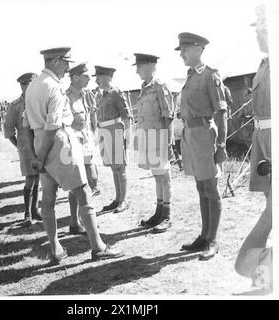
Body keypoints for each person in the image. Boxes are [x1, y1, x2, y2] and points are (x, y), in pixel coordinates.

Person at [24, 47, 124, 264]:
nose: (68, 68)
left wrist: (37, 153)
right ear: (57, 61)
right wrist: (41, 156)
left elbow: (28, 125)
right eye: (65, 62)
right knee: (84, 193)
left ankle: (56, 249)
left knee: (48, 198)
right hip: (58, 142)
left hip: (40, 140)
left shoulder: (32, 86)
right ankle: (98, 247)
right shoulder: (54, 87)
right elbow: (53, 126)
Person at [175, 32, 228, 260]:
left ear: (198, 49)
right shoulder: (190, 76)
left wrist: (222, 144)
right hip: (191, 135)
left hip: (205, 135)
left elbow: (221, 111)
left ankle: (213, 240)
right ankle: (204, 236)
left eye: (185, 50)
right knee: (200, 187)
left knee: (211, 188)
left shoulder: (210, 75)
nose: (182, 55)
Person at [235, 4, 272, 292]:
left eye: (264, 26)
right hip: (265, 144)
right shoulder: (264, 64)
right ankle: (266, 274)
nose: (258, 32)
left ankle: (262, 272)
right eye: (257, 27)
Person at [133, 53, 175, 233]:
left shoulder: (160, 86)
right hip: (147, 137)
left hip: (159, 137)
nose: (136, 71)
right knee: (156, 175)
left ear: (150, 67)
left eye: (140, 67)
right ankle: (158, 212)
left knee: (164, 176)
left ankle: (167, 215)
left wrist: (169, 141)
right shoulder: (144, 87)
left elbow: (169, 115)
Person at [66, 62, 100, 235]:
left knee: (92, 180)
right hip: (74, 146)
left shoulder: (86, 95)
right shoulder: (66, 97)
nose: (89, 79)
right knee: (78, 184)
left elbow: (91, 119)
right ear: (75, 77)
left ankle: (81, 219)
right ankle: (77, 221)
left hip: (87, 144)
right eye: (86, 76)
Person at [4, 72, 42, 224]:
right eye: (31, 85)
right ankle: (27, 213)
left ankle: (35, 210)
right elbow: (8, 130)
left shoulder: (39, 101)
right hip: (26, 148)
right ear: (23, 86)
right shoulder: (15, 106)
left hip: (40, 145)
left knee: (39, 178)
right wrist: (20, 145)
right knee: (30, 180)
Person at [94, 65, 133, 213]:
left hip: (115, 130)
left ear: (108, 78)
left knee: (120, 168)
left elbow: (126, 116)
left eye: (99, 77)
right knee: (113, 168)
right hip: (104, 131)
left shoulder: (115, 92)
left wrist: (127, 138)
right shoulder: (101, 95)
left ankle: (123, 201)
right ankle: (117, 199)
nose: (97, 80)